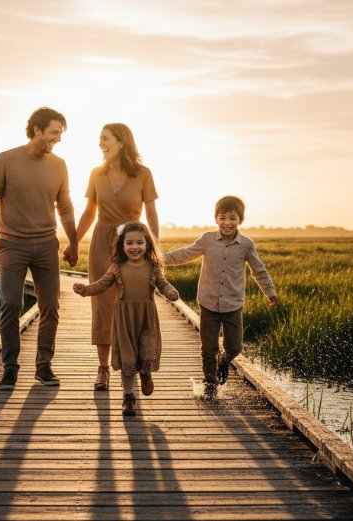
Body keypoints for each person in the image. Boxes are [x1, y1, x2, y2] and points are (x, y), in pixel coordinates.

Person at [0, 106, 79, 390]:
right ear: (37, 130)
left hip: (47, 244)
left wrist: (73, 241)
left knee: (50, 306)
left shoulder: (59, 165)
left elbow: (65, 205)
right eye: (54, 132)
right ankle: (10, 367)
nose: (58, 138)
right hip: (12, 244)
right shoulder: (6, 160)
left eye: (60, 133)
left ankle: (43, 366)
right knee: (11, 304)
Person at [162, 196, 279, 398]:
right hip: (208, 303)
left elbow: (258, 271)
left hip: (233, 305)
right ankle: (210, 384)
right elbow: (186, 254)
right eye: (223, 217)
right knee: (208, 348)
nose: (227, 222)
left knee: (234, 347)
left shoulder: (246, 245)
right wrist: (160, 259)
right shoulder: (207, 240)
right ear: (216, 218)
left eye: (232, 218)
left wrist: (270, 292)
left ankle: (223, 361)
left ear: (240, 220)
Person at [75, 123, 159, 391]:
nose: (100, 142)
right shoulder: (96, 174)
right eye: (99, 138)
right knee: (103, 307)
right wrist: (74, 242)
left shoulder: (143, 174)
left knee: (135, 302)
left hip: (133, 241)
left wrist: (152, 247)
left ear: (122, 142)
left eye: (105, 138)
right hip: (102, 242)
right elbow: (89, 212)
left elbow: (151, 212)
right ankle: (103, 370)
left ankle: (140, 365)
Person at [73, 221, 178, 416]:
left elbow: (163, 284)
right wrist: (85, 290)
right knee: (128, 359)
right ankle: (128, 397)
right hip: (124, 320)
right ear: (122, 245)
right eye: (129, 243)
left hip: (147, 319)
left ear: (147, 244)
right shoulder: (117, 267)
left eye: (139, 243)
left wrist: (171, 292)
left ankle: (145, 372)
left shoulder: (153, 267)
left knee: (146, 351)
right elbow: (102, 285)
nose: (135, 247)